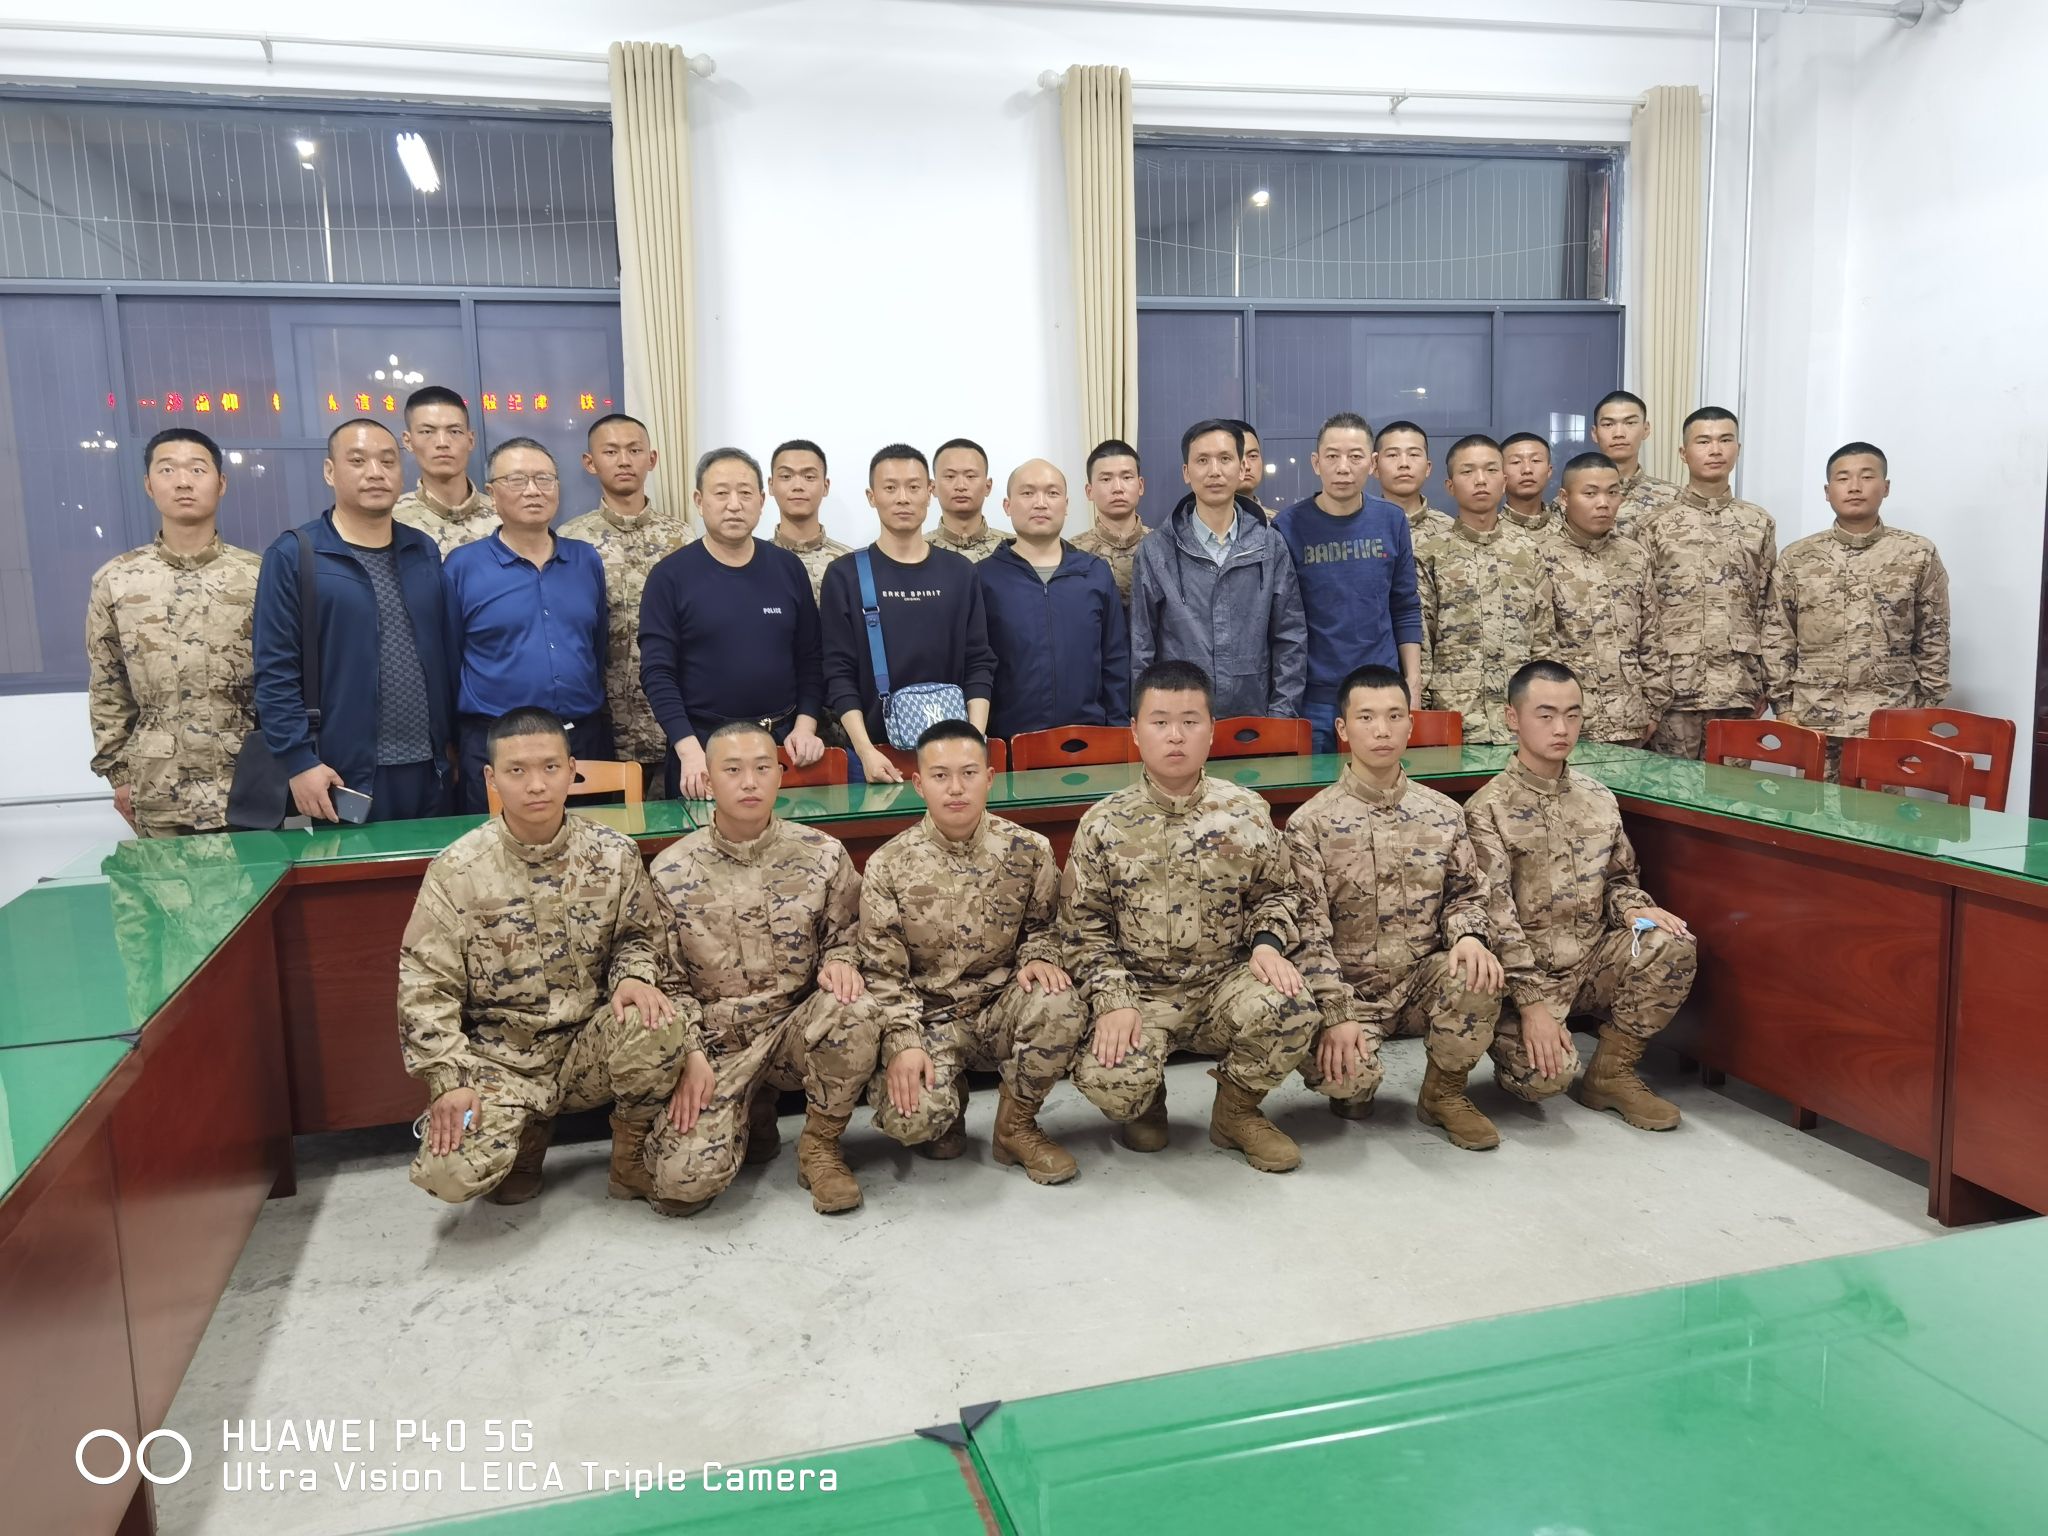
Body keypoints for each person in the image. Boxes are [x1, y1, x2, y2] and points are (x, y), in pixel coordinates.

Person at [399, 707, 702, 1213]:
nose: (536, 785)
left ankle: (631, 1152)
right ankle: (525, 1138)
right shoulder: (457, 870)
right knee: (448, 1175)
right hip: (502, 1060)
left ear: (572, 770)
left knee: (654, 1018)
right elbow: (425, 986)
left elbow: (639, 938)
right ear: (491, 778)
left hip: (590, 1046)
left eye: (550, 767)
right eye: (516, 770)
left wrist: (633, 977)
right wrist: (447, 1080)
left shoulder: (614, 853)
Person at [1062, 660, 1319, 1173]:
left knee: (1293, 1006)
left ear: (1212, 730)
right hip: (1141, 993)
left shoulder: (1245, 811)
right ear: (1135, 731)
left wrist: (1267, 943)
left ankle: (1237, 1112)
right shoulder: (1102, 824)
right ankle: (1146, 1101)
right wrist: (1113, 1000)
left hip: (1223, 983)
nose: (1175, 736)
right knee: (1111, 1079)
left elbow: (1281, 893)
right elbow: (1082, 930)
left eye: (1189, 721)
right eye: (1159, 722)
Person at [642, 721, 882, 1214]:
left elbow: (847, 935)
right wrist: (689, 1053)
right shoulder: (670, 870)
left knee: (853, 1009)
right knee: (680, 1182)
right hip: (717, 1045)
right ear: (707, 780)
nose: (749, 782)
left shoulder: (821, 854)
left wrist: (840, 963)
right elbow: (667, 981)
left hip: (795, 1030)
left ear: (779, 775)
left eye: (761, 768)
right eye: (732, 770)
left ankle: (820, 1147)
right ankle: (754, 1114)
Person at [1465, 662, 1698, 1130]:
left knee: (1672, 943)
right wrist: (1532, 1006)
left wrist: (1634, 910)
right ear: (1512, 718)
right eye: (1546, 715)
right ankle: (1518, 1040)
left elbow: (1618, 881)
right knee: (1543, 1081)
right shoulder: (1486, 810)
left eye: (1572, 715)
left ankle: (1611, 1074)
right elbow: (1495, 918)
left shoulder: (1598, 798)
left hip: (1590, 961)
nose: (1561, 728)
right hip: (1524, 979)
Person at [1286, 666, 1504, 1148]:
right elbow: (1307, 933)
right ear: (1343, 728)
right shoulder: (1311, 824)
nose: (1381, 730)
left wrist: (1469, 936)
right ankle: (1353, 1075)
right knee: (1351, 1085)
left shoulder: (1443, 814)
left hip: (1421, 980)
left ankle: (1444, 1095)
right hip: (1350, 989)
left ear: (1411, 724)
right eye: (1366, 717)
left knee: (1476, 970)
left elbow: (1467, 894)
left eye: (1393, 716)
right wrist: (1336, 1011)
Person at [861, 721, 1086, 1184]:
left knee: (1060, 1000)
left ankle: (1016, 1127)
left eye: (968, 773)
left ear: (989, 777)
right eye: (940, 776)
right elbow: (883, 973)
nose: (956, 788)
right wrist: (903, 1043)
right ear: (918, 784)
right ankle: (948, 1100)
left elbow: (1047, 928)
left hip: (1002, 1006)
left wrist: (1039, 957)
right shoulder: (888, 865)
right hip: (929, 1018)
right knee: (913, 1120)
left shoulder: (1029, 850)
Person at [253, 418, 456, 823]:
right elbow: (274, 671)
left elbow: (446, 653)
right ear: (330, 471)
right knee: (356, 865)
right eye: (358, 461)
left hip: (430, 770)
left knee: (433, 864)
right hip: (341, 775)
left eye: (387, 461)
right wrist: (299, 761)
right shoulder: (296, 554)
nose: (375, 473)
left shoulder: (422, 550)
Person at [87, 428, 260, 837]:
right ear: (149, 485)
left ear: (221, 483)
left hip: (247, 787)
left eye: (197, 469)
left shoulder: (260, 575)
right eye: (167, 470)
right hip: (159, 789)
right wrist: (120, 775)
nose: (183, 481)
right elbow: (108, 685)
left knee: (258, 880)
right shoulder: (117, 580)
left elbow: (287, 681)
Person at [638, 448, 825, 799]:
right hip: (702, 748)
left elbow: (811, 659)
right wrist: (688, 750)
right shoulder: (669, 576)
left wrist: (805, 725)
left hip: (782, 745)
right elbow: (657, 673)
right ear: (699, 501)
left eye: (745, 493)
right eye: (721, 493)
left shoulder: (788, 569)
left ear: (762, 500)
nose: (734, 505)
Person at [442, 439, 611, 815]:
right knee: (494, 847)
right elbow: (449, 659)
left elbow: (595, 647)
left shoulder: (585, 559)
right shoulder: (463, 566)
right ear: (491, 493)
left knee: (589, 845)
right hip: (497, 744)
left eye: (544, 479)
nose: (533, 490)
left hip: (580, 740)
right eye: (517, 480)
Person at [1764, 442, 1951, 778]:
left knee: (1886, 810)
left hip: (1890, 718)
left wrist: (1923, 710)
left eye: (1866, 476)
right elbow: (1777, 634)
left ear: (1886, 487)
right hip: (1814, 717)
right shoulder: (1799, 558)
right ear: (1827, 492)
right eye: (1843, 478)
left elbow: (1934, 635)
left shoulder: (1916, 554)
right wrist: (1784, 706)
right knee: (1813, 808)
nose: (1854, 487)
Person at [819, 444, 996, 785]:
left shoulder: (960, 572)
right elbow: (838, 672)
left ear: (929, 492)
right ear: (872, 496)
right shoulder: (846, 575)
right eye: (890, 487)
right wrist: (865, 751)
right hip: (876, 755)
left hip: (953, 755)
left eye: (913, 487)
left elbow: (978, 661)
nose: (903, 498)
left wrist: (973, 742)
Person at [1129, 419, 1306, 722]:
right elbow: (1142, 646)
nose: (1214, 471)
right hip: (1180, 723)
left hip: (1254, 720)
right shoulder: (1156, 550)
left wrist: (1281, 717)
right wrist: (1152, 720)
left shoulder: (1269, 544)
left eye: (1225, 459)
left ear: (1241, 468)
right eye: (1202, 460)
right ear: (1186, 472)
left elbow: (1290, 638)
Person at [1272, 411, 1422, 752]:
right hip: (1314, 697)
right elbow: (1280, 621)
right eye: (1332, 456)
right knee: (1318, 785)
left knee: (1381, 783)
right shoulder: (1287, 526)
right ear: (1316, 463)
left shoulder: (1392, 520)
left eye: (1355, 457)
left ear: (1372, 464)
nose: (1343, 468)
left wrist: (1412, 681)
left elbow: (1405, 606)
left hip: (1380, 691)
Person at [560, 413, 692, 798]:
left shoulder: (682, 538)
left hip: (674, 721)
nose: (623, 461)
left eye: (634, 450)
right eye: (611, 451)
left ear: (652, 458)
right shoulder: (571, 541)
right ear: (589, 462)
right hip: (600, 724)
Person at [1639, 408, 1777, 760]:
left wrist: (1769, 681)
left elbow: (1768, 606)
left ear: (1737, 449)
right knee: (1670, 788)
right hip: (1674, 689)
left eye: (1724, 440)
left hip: (1738, 687)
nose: (1715, 450)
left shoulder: (1758, 523)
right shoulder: (1655, 525)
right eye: (1703, 441)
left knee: (1730, 790)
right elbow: (1642, 612)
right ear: (1683, 453)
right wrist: (1648, 686)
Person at [1415, 435, 1556, 744]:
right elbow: (1422, 642)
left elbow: (1543, 639)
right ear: (1450, 486)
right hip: (1455, 717)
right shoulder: (1430, 553)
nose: (1480, 480)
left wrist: (1546, 707)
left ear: (1504, 481)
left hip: (1519, 718)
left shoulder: (1526, 551)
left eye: (1491, 470)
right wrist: (1421, 714)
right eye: (1467, 471)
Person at [976, 459, 1130, 740]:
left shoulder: (1094, 573)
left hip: (1089, 739)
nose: (1040, 503)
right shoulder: (984, 577)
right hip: (1009, 742)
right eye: (1028, 493)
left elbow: (1115, 659)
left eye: (1052, 493)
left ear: (1066, 505)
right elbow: (976, 665)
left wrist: (1118, 734)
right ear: (1007, 506)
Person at [1539, 453, 1665, 745]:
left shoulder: (1635, 556)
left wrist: (1654, 707)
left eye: (1612, 493)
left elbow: (1651, 639)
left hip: (1631, 719)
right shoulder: (1541, 555)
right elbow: (1540, 645)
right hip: (1569, 723)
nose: (1603, 503)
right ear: (1564, 498)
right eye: (1590, 493)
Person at [391, 384, 499, 557]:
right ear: (408, 441)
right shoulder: (390, 521)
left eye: (454, 431)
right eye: (427, 431)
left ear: (470, 440)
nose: (442, 442)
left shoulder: (502, 517)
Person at [767, 439, 852, 601]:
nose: (798, 486)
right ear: (771, 485)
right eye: (786, 476)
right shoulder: (756, 559)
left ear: (825, 486)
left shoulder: (850, 562)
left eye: (809, 477)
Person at [1071, 438, 1150, 610]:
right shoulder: (1071, 553)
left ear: (1140, 486)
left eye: (1127, 477)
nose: (1117, 488)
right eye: (1106, 479)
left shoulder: (1163, 546)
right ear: (1089, 491)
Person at [1592, 390, 1680, 537]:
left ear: (1646, 429)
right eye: (1608, 424)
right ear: (1595, 433)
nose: (1619, 433)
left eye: (1630, 423)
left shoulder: (1673, 498)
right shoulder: (1572, 500)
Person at [927, 437, 1010, 561]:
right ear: (933, 488)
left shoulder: (1013, 548)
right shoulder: (918, 551)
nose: (961, 486)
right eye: (950, 476)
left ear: (988, 486)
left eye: (970, 476)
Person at [1373, 420, 1450, 539]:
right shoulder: (1356, 529)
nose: (1404, 464)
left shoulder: (1451, 531)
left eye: (1413, 454)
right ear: (1375, 467)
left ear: (1428, 468)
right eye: (1392, 455)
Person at [1501, 432, 1558, 533]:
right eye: (1515, 462)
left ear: (1549, 471)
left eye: (1536, 460)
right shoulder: (1490, 532)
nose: (1527, 469)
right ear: (1501, 473)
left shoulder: (1568, 529)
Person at [1233, 419, 1266, 506]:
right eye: (1237, 456)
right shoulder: (1199, 514)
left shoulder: (1279, 515)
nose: (1246, 466)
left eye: (1252, 456)